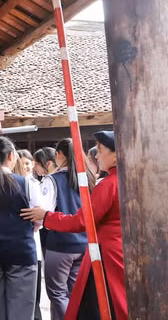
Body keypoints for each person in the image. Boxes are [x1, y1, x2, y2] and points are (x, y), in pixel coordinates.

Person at [22, 131, 127, 320]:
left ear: (116, 154)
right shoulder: (126, 181)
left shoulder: (109, 184)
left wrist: (47, 217)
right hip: (116, 250)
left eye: (101, 150)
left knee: (96, 304)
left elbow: (81, 221)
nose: (96, 155)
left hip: (106, 255)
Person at [0, 138, 40, 320]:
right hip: (22, 253)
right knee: (22, 313)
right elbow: (38, 219)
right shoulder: (28, 184)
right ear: (11, 156)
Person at [35, 139, 92, 320]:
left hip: (60, 245)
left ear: (59, 155)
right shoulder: (88, 179)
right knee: (75, 293)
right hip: (83, 244)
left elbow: (43, 214)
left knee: (57, 294)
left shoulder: (52, 180)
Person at [14, 149, 45, 320]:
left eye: (28, 163)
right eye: (22, 163)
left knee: (33, 296)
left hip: (32, 244)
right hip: (25, 244)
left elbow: (40, 216)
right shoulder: (23, 185)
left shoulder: (35, 184)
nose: (25, 166)